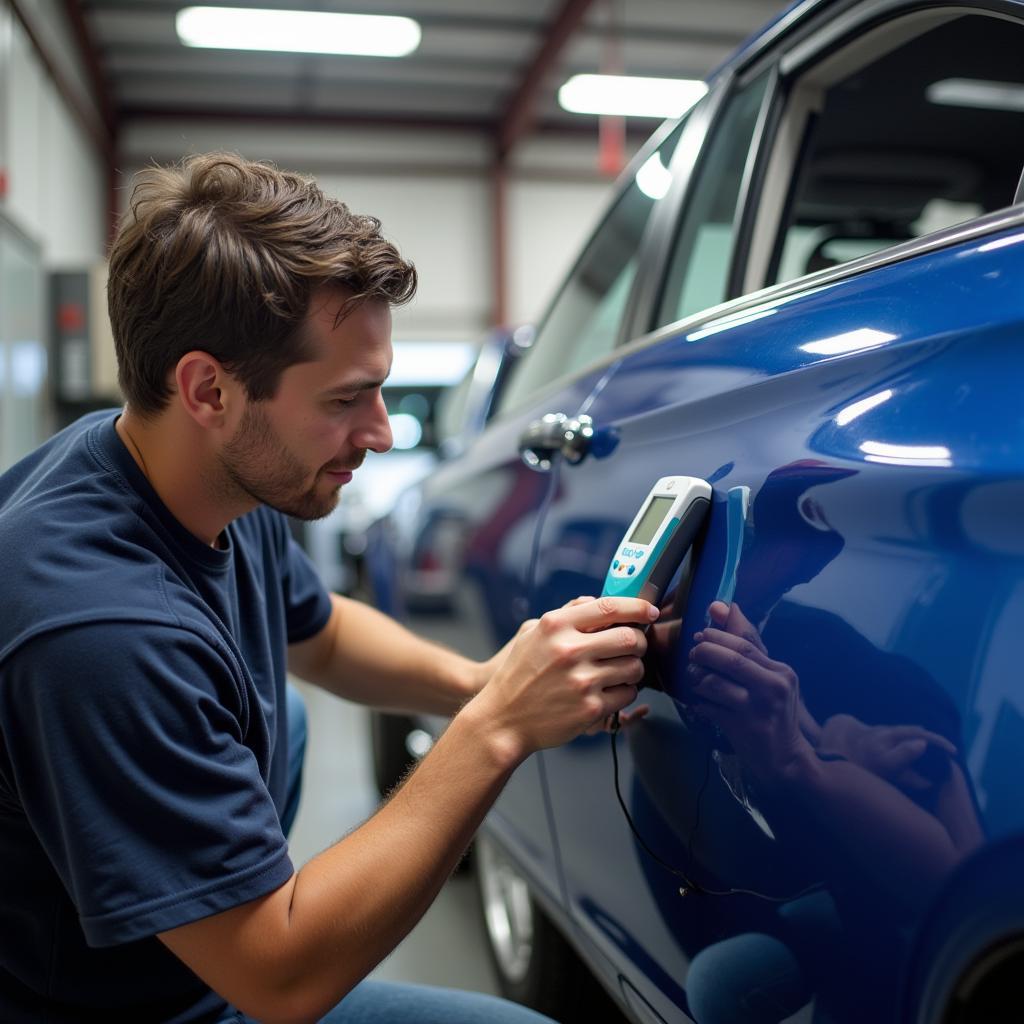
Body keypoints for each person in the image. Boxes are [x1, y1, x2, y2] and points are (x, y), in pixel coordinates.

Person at [0, 153, 657, 1024]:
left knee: (293, 714)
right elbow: (282, 981)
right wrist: (496, 729)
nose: (381, 434)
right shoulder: (99, 630)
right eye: (350, 399)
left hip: (188, 964)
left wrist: (483, 680)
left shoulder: (202, 472)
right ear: (209, 390)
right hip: (128, 1009)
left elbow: (323, 634)